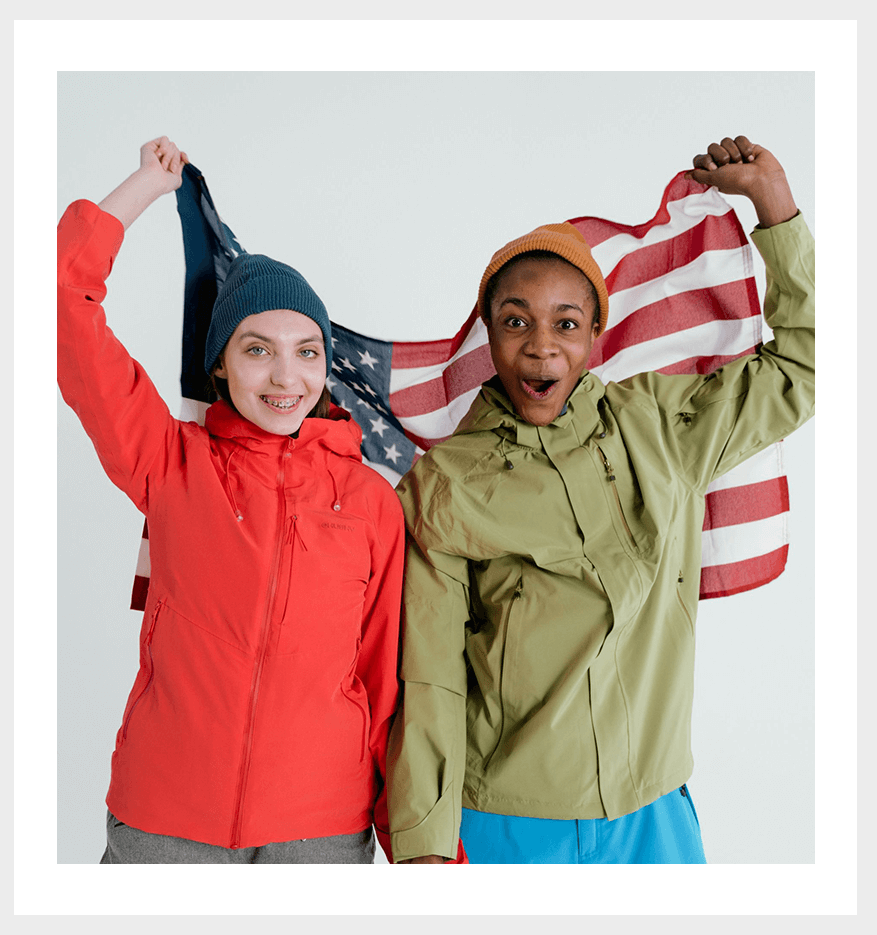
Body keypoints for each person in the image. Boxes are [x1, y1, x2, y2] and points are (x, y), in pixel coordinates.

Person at [387, 136, 814, 864]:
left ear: (593, 333)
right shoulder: (446, 481)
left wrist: (774, 205)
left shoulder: (660, 424)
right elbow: (427, 677)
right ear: (487, 332)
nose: (540, 348)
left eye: (564, 323)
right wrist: (424, 843)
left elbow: (804, 362)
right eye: (515, 321)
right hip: (504, 823)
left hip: (655, 816)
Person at [58, 138, 405, 864]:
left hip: (322, 827)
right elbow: (62, 295)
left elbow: (383, 680)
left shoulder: (371, 501)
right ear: (219, 363)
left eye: (307, 350)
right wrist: (145, 188)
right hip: (165, 820)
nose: (286, 375)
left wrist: (405, 833)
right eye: (257, 349)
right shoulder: (169, 461)